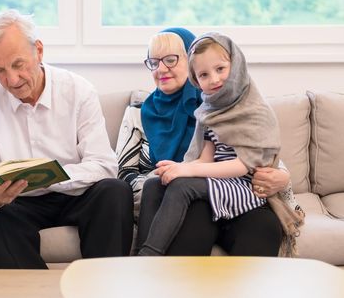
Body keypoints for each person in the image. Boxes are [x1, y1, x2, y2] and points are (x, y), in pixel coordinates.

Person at [0, 9, 134, 269]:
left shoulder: (79, 91)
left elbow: (104, 165)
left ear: (39, 51)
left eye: (18, 65)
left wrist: (53, 176)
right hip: (18, 202)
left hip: (75, 195)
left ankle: (101, 289)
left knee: (115, 191)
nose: (11, 80)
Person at [116, 28, 299, 256]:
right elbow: (125, 174)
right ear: (197, 73)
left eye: (171, 59)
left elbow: (259, 155)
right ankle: (148, 266)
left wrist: (282, 176)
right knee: (167, 193)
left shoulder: (221, 103)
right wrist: (167, 175)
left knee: (263, 228)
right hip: (184, 197)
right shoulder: (140, 113)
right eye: (154, 62)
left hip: (234, 191)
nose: (161, 68)